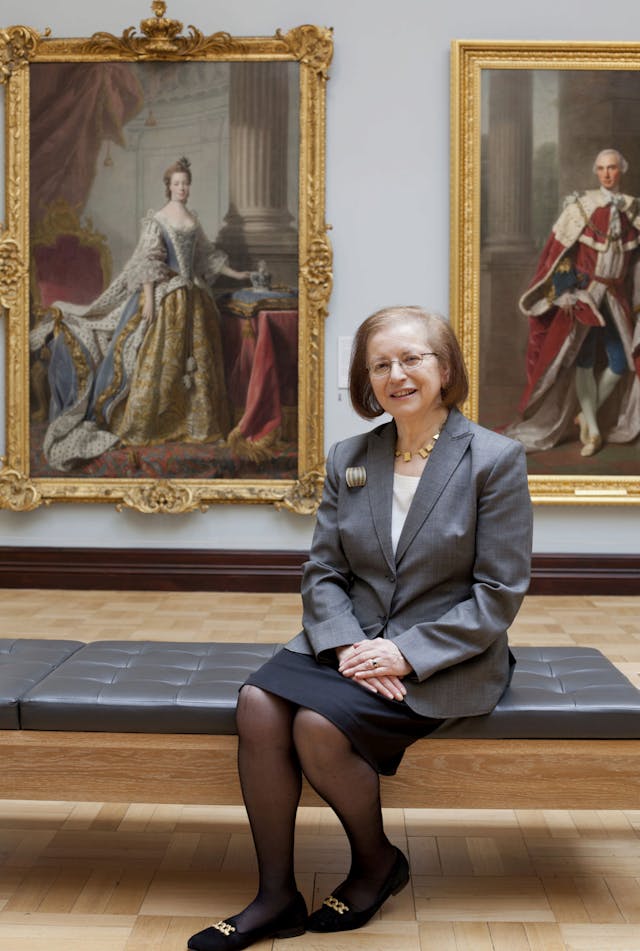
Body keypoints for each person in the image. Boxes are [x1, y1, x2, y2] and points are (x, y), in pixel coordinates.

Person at [187, 305, 533, 951]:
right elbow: (323, 571)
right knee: (257, 703)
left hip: (446, 654)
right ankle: (275, 897)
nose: (396, 375)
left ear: (445, 368)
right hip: (348, 639)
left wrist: (403, 653)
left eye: (411, 359)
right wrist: (349, 645)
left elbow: (498, 593)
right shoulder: (351, 456)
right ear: (366, 379)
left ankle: (376, 864)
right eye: (380, 365)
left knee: (318, 727)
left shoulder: (494, 459)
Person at [30, 156, 251, 470]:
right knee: (160, 359)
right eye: (176, 184)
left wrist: (237, 274)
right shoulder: (157, 219)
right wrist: (148, 299)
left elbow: (206, 256)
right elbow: (149, 260)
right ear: (168, 187)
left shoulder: (193, 219)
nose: (181, 188)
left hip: (194, 299)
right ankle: (152, 424)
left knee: (196, 365)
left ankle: (196, 423)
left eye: (185, 184)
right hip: (167, 297)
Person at [505, 149, 640, 457]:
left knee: (620, 363)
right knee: (584, 360)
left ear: (621, 170)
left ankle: (585, 415)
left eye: (612, 168)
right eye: (601, 168)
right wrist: (564, 291)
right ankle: (593, 431)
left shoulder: (633, 209)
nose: (606, 174)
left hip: (616, 297)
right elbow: (560, 256)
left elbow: (635, 264)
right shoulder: (581, 207)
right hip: (584, 296)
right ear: (596, 172)